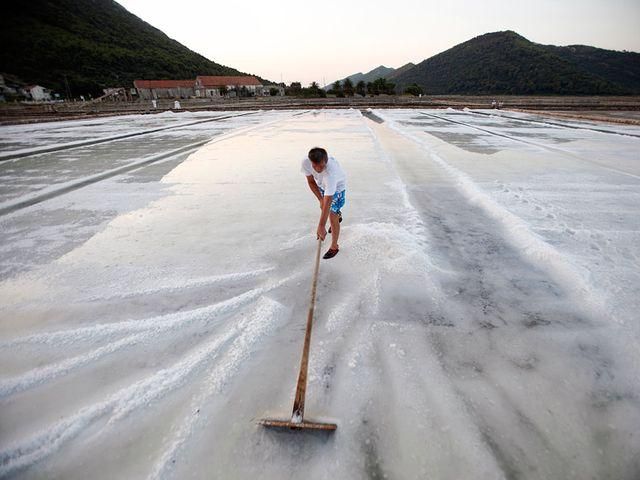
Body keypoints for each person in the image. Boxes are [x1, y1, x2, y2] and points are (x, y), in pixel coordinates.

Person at [301, 147, 346, 259]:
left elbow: (329, 201)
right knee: (325, 208)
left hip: (337, 188)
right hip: (322, 185)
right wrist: (320, 199)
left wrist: (321, 226)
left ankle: (334, 246)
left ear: (326, 161)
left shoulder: (331, 173)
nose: (317, 169)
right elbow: (311, 182)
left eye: (321, 166)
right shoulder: (306, 162)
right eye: (315, 166)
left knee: (332, 215)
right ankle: (337, 214)